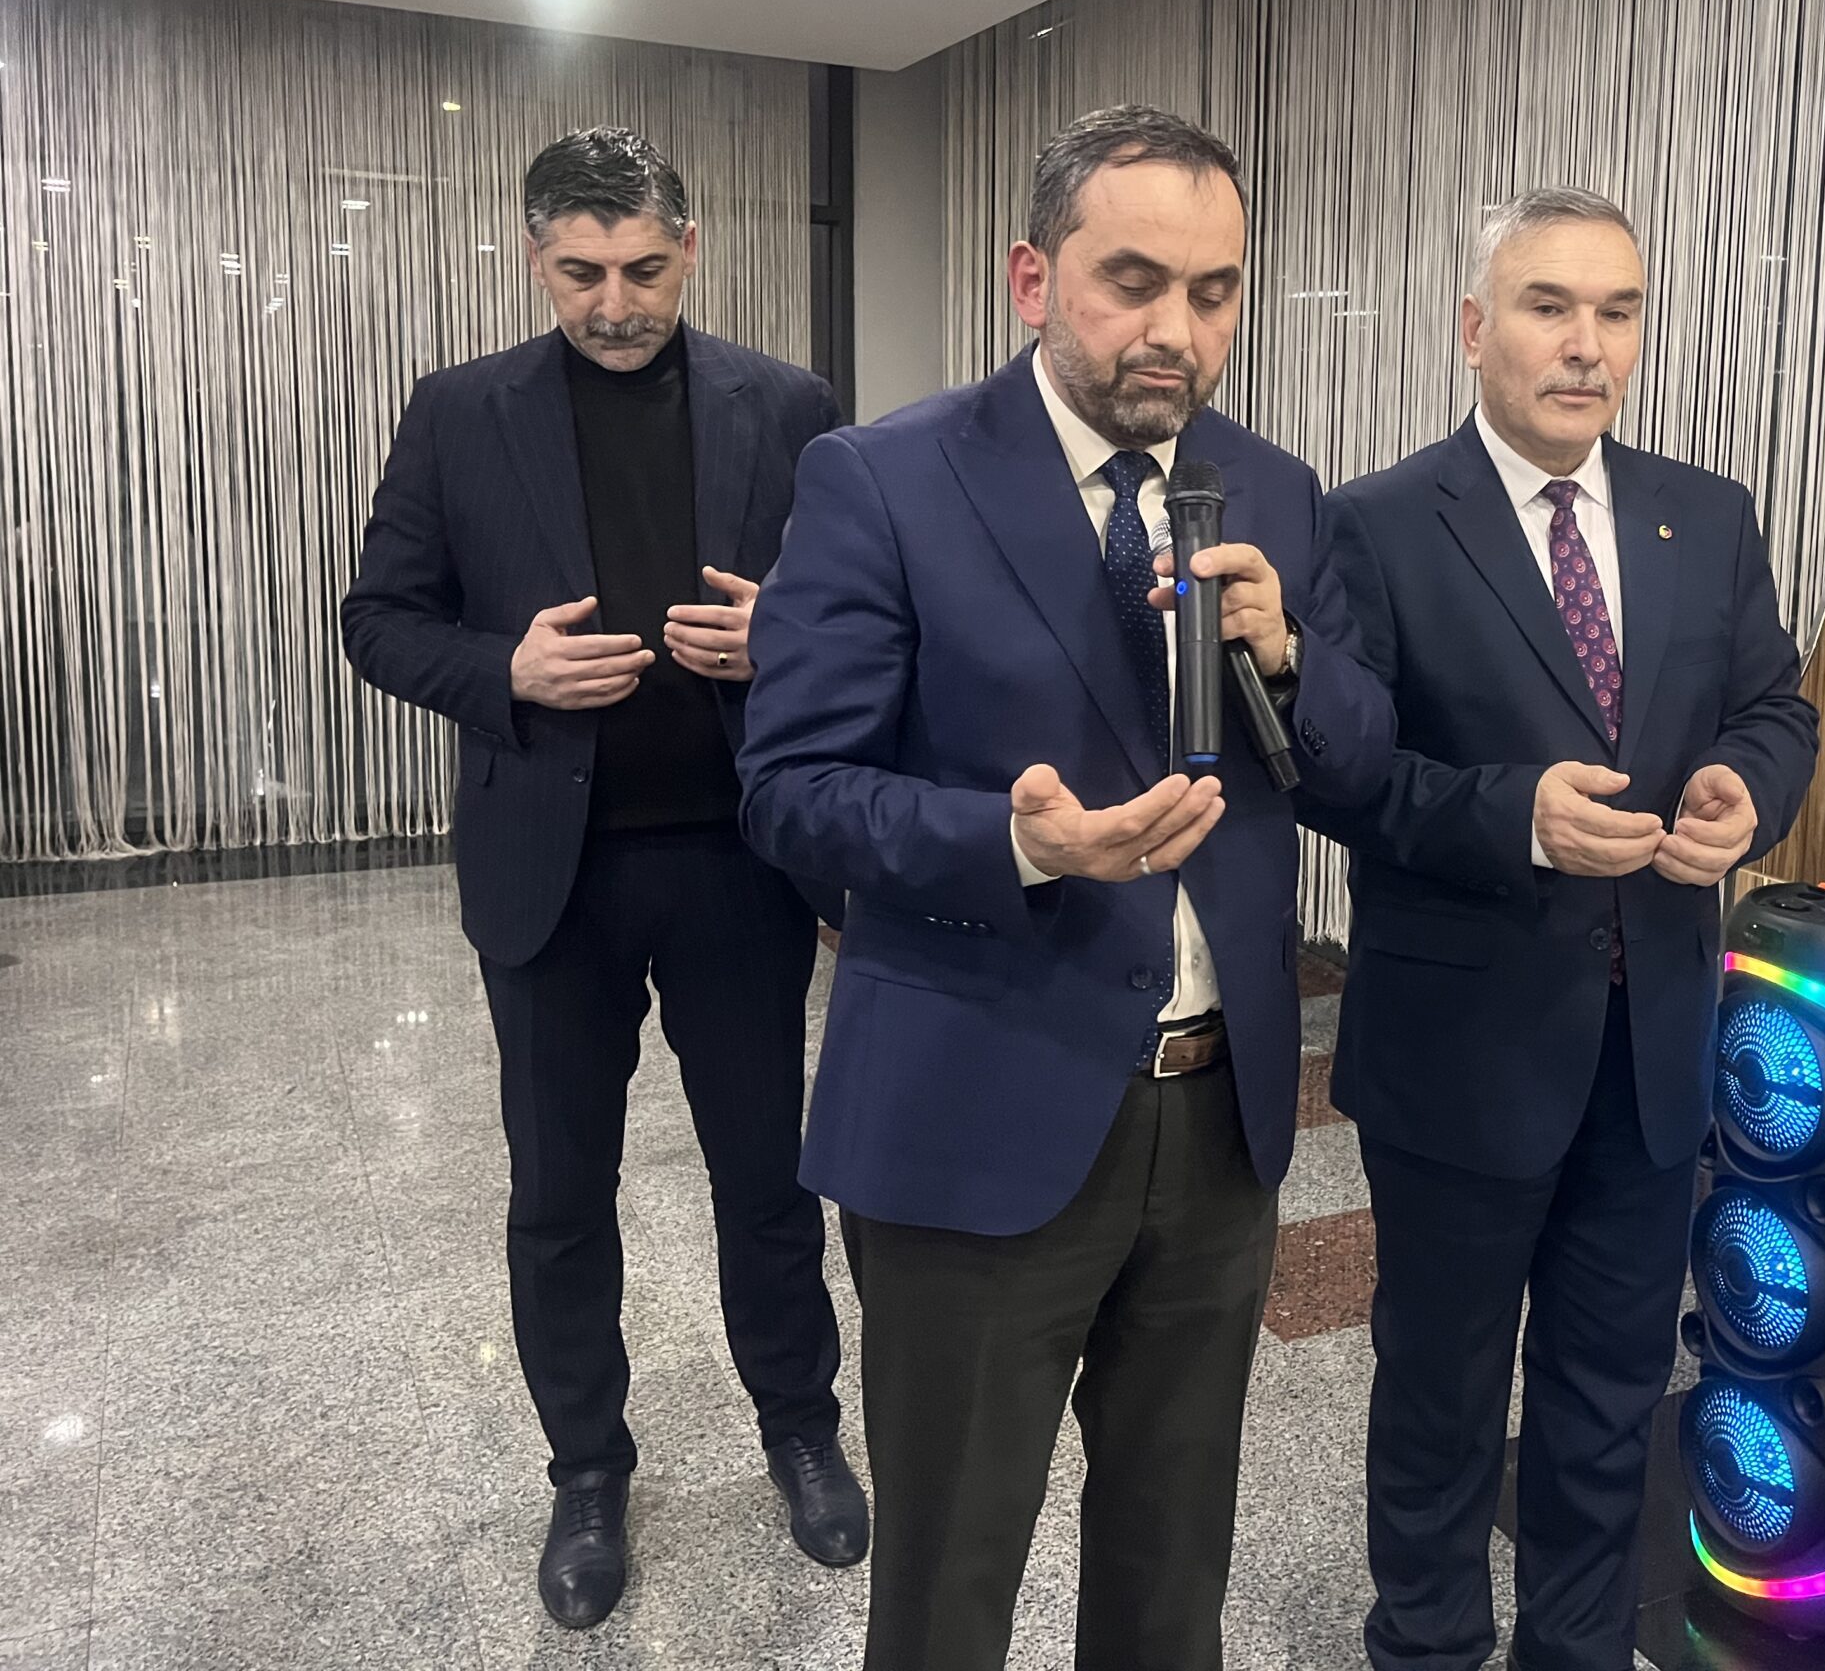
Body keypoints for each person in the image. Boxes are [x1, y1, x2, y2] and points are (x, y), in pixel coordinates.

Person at [735, 104, 1393, 1671]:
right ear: (1035, 279)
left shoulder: (1274, 491)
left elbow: (1362, 767)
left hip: (1219, 1124)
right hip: (977, 1107)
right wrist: (1023, 844)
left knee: (1172, 1580)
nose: (1179, 330)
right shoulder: (882, 478)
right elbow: (789, 790)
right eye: (1134, 281)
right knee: (950, 1587)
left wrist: (1287, 657)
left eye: (1216, 291)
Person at [340, 128, 867, 1631]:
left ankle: (800, 1427)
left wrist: (785, 642)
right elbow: (378, 619)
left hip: (736, 865)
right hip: (548, 880)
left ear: (689, 249)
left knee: (769, 1178)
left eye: (643, 268)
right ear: (535, 259)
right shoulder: (460, 412)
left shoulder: (789, 406)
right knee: (560, 1194)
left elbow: (864, 611)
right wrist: (504, 669)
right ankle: (587, 1470)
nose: (615, 302)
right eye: (581, 273)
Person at [1303, 189, 1820, 1671]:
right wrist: (1514, 817)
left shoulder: (1705, 516)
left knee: (1607, 1401)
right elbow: (1341, 777)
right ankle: (1425, 1646)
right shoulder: (1379, 524)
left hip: (1651, 1055)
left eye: (1617, 310)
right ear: (1477, 330)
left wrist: (1747, 790)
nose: (1586, 344)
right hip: (1461, 1052)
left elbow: (1773, 708)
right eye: (1549, 306)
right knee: (1443, 1396)